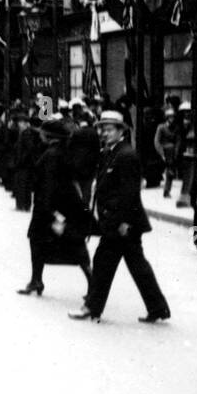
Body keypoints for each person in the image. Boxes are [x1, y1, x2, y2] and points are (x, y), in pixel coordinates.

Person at [70, 111, 171, 323]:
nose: (103, 133)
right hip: (116, 221)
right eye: (101, 129)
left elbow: (130, 193)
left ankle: (91, 307)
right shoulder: (110, 152)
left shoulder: (126, 155)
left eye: (108, 129)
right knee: (137, 266)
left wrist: (124, 222)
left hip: (122, 223)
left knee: (103, 263)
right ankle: (158, 308)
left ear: (120, 131)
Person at [17, 119, 92, 297]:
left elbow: (49, 184)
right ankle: (37, 280)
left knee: (42, 241)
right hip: (60, 206)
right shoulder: (60, 151)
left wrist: (50, 211)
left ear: (49, 136)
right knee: (70, 244)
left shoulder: (51, 154)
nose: (40, 134)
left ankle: (37, 280)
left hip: (48, 208)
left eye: (42, 133)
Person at [154, 107, 179, 199]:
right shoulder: (161, 127)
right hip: (163, 152)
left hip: (171, 153)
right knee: (164, 171)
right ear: (167, 118)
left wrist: (176, 152)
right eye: (170, 117)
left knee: (170, 172)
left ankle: (167, 190)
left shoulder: (176, 128)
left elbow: (178, 141)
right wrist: (161, 154)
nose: (172, 119)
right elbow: (157, 141)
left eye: (173, 117)